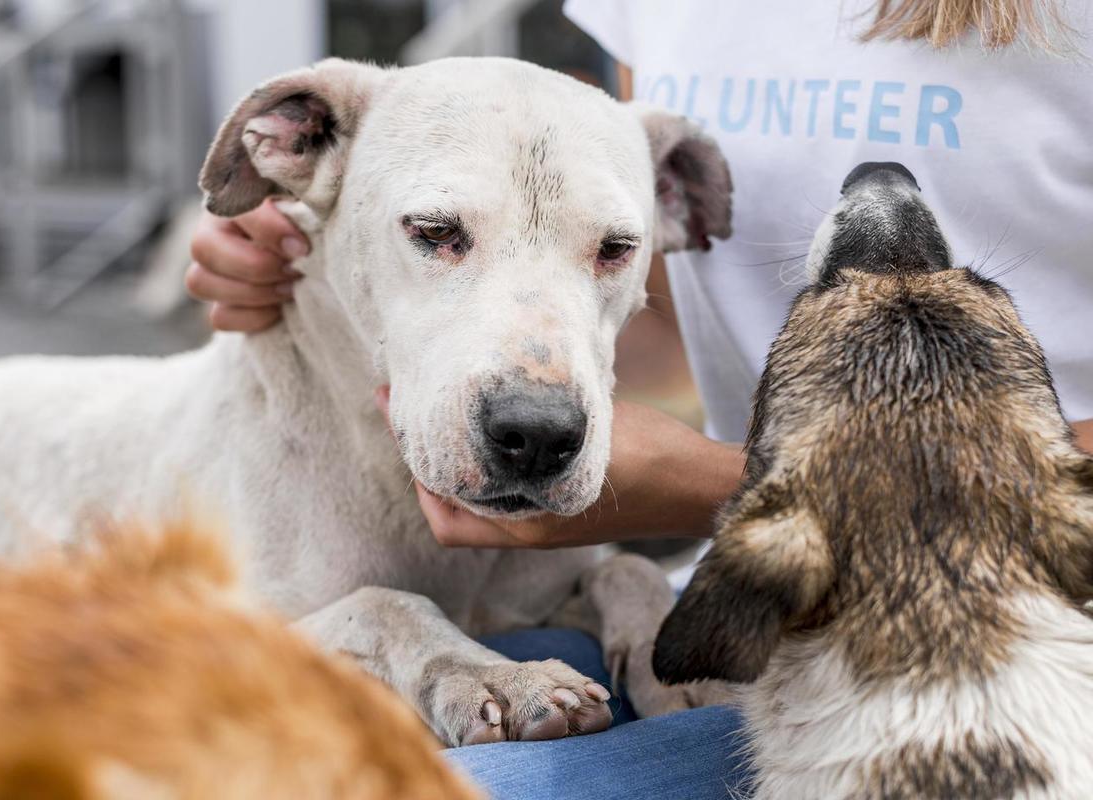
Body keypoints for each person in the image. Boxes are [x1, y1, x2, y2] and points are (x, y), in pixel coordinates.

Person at [186, 1, 1093, 796]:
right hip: (754, 601)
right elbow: (635, 301)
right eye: (437, 233)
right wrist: (329, 255)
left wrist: (713, 484)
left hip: (1037, 623)